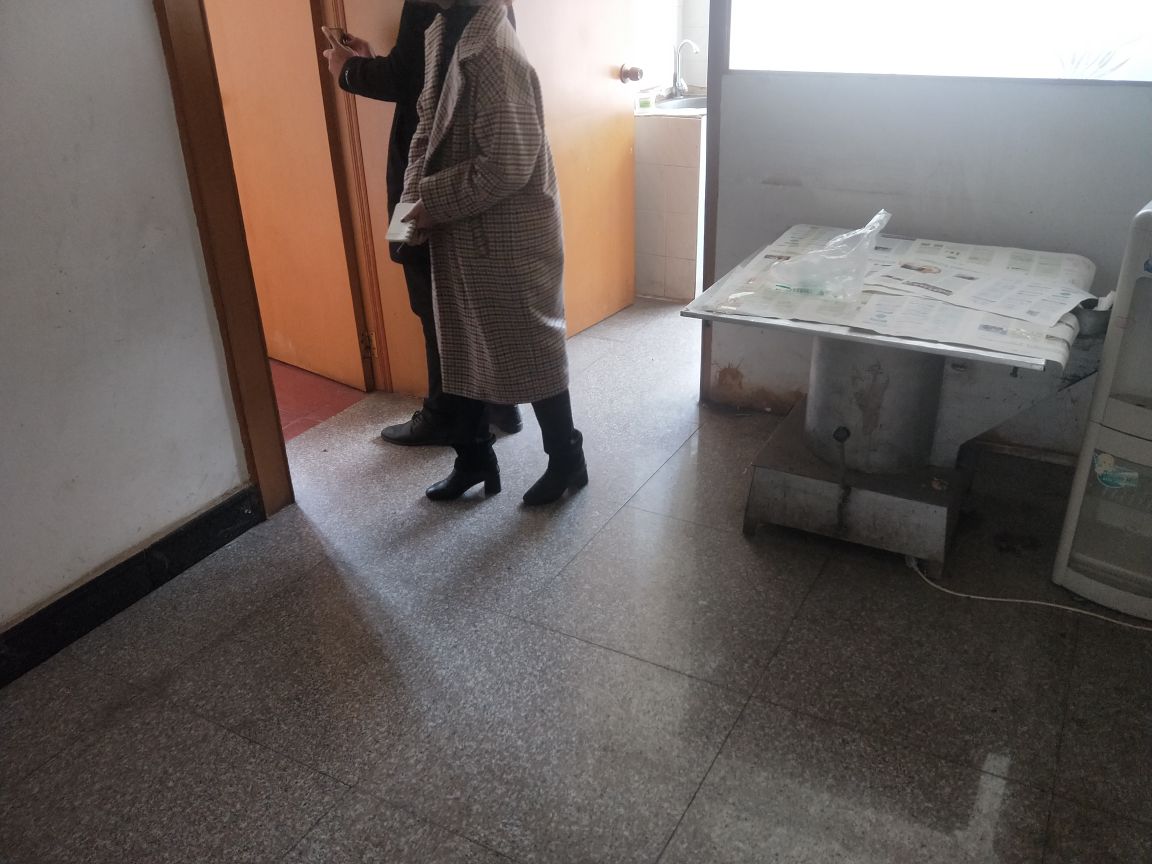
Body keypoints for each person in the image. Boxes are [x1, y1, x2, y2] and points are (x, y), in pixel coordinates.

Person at [399, 0, 586, 506]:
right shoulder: (443, 30)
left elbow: (509, 162)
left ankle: (567, 458)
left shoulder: (496, 51)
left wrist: (433, 202)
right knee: (460, 344)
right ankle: (474, 459)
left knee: (532, 347)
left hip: (508, 229)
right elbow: (425, 127)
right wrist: (410, 203)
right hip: (460, 223)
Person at [322, 4, 521, 446]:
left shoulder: (440, 8)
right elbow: (423, 75)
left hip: (428, 175)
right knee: (465, 294)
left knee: (429, 294)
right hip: (452, 170)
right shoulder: (492, 13)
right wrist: (371, 62)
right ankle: (498, 403)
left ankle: (445, 414)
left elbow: (412, 81)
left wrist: (348, 70)